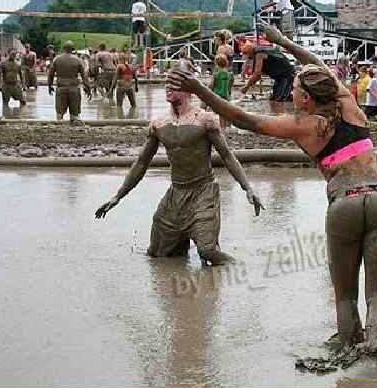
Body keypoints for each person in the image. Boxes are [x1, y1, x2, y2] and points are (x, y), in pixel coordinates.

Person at [167, 22, 377, 350]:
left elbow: (245, 120)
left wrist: (200, 90)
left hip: (345, 205)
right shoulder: (349, 104)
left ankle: (348, 348)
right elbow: (317, 66)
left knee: (345, 296)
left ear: (306, 99)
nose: (290, 93)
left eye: (294, 91)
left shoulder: (303, 125)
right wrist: (283, 41)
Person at [95, 75, 264, 267]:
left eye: (174, 86)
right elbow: (142, 163)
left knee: (207, 251)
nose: (168, 89)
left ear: (188, 90)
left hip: (203, 192)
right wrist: (117, 196)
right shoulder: (159, 124)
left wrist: (247, 188)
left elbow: (227, 156)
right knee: (158, 256)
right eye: (167, 85)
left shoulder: (205, 120)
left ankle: (239, 268)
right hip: (175, 196)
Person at [240, 41, 295, 114]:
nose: (248, 58)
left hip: (287, 76)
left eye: (246, 54)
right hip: (279, 77)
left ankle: (282, 120)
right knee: (273, 99)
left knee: (279, 101)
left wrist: (247, 87)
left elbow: (257, 74)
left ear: (250, 52)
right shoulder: (258, 51)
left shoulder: (259, 53)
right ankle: (275, 117)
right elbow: (257, 75)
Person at [49, 41, 92, 122]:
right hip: (74, 89)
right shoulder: (78, 60)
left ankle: (60, 128)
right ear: (73, 49)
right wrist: (88, 88)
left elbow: (50, 74)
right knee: (75, 115)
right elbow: (84, 77)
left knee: (59, 115)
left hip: (61, 88)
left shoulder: (57, 59)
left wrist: (49, 86)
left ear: (63, 48)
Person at [210, 54, 233, 129]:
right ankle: (226, 126)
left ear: (216, 63)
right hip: (225, 95)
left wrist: (209, 91)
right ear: (226, 63)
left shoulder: (216, 74)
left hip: (216, 95)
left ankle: (218, 126)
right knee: (224, 112)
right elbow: (230, 85)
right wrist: (229, 93)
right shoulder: (229, 74)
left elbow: (211, 85)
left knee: (213, 111)